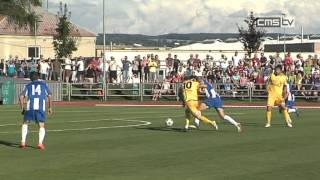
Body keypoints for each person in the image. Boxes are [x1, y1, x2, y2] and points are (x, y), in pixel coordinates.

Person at [19, 72, 53, 150]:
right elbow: (50, 96)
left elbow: (21, 96)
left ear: (30, 78)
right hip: (41, 107)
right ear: (38, 77)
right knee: (41, 125)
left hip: (30, 107)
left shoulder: (27, 85)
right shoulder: (44, 84)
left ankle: (23, 142)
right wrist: (50, 107)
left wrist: (22, 108)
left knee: (25, 123)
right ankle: (40, 143)